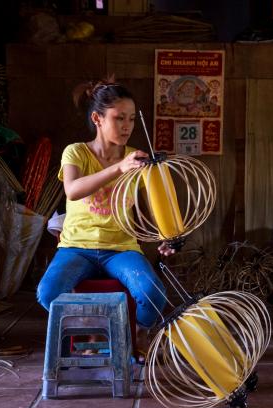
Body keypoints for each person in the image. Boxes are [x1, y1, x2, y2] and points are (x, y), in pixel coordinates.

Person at [36, 78, 174, 357]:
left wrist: (166, 235)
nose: (127, 126)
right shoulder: (76, 152)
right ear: (97, 118)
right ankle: (92, 333)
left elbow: (147, 211)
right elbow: (73, 191)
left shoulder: (135, 160)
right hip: (76, 247)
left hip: (121, 248)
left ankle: (138, 335)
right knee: (47, 293)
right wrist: (118, 168)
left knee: (154, 295)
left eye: (132, 119)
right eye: (119, 118)